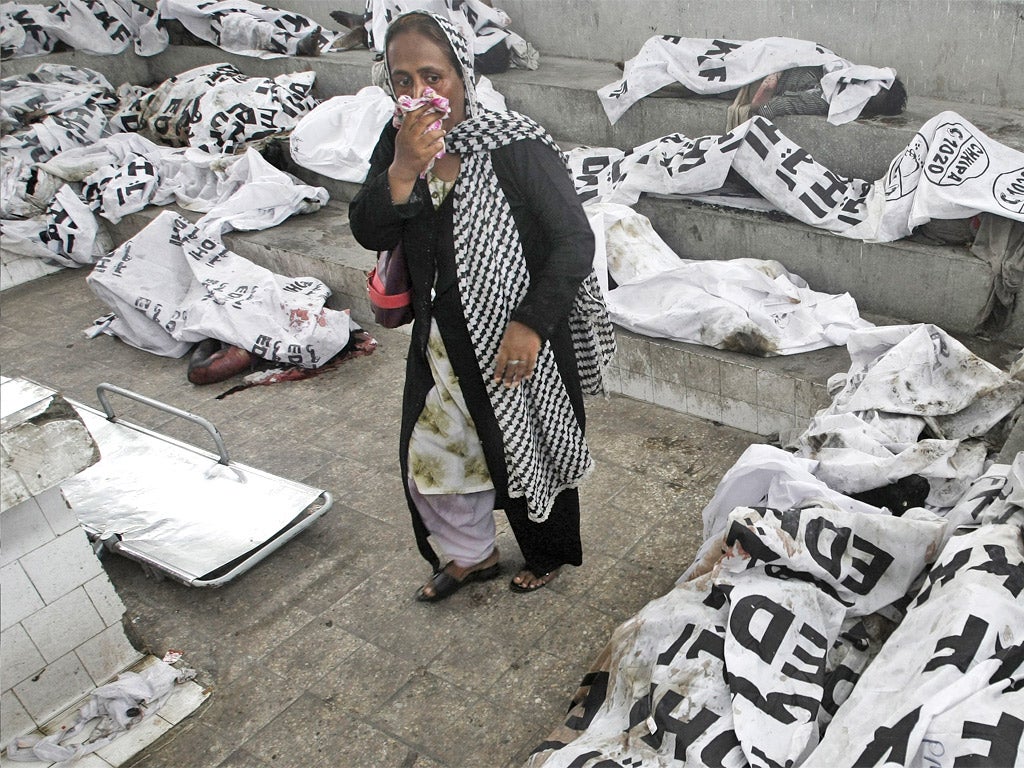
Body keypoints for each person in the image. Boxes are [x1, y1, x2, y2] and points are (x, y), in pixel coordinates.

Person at [349, 10, 612, 601]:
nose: (420, 95)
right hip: (441, 342)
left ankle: (546, 554)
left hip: (515, 342)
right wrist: (403, 170)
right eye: (402, 81)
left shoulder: (516, 147)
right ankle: (474, 554)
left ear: (463, 76)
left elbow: (574, 242)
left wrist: (530, 325)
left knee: (528, 449)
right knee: (436, 450)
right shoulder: (396, 148)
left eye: (433, 76)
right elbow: (368, 227)